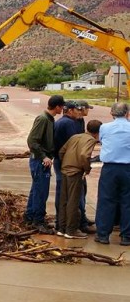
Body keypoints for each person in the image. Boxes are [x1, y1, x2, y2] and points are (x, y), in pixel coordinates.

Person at [24, 94, 64, 233]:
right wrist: (44, 157)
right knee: (41, 192)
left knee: (36, 189)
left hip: (41, 160)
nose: (63, 109)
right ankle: (38, 222)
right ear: (58, 106)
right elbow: (32, 141)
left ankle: (29, 217)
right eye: (62, 106)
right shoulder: (43, 119)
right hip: (39, 161)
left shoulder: (50, 119)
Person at [57, 119, 102, 239]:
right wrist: (86, 168)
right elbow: (84, 155)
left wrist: (66, 164)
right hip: (75, 172)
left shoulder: (75, 136)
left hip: (65, 170)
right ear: (98, 132)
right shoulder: (91, 140)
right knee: (73, 202)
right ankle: (71, 230)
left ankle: (61, 228)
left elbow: (61, 151)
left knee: (64, 201)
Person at [94, 102, 130, 245]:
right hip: (128, 168)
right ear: (127, 113)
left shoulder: (104, 127)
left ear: (112, 113)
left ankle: (103, 234)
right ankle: (126, 236)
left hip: (110, 168)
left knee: (106, 200)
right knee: (127, 201)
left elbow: (102, 141)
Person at [52, 101, 81, 231]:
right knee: (67, 195)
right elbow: (73, 145)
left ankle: (60, 223)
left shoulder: (59, 122)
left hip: (59, 160)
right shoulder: (69, 123)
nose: (78, 112)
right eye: (77, 109)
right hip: (65, 162)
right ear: (70, 110)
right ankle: (65, 225)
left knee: (62, 192)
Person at [75, 99, 95, 231]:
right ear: (82, 108)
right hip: (75, 164)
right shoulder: (72, 122)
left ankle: (83, 217)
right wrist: (86, 167)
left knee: (83, 190)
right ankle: (80, 222)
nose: (88, 111)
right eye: (87, 108)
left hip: (78, 162)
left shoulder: (81, 121)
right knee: (78, 193)